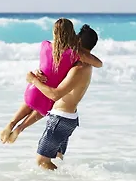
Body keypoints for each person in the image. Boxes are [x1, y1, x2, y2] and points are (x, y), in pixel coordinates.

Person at [0, 18, 102, 144]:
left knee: (32, 102)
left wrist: (36, 75)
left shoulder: (44, 45)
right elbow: (99, 63)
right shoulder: (75, 54)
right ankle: (20, 128)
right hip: (49, 96)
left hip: (34, 89)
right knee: (44, 104)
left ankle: (11, 124)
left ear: (54, 33)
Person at [25, 24, 99, 170]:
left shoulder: (79, 68)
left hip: (60, 119)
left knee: (42, 161)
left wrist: (34, 80)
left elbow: (55, 94)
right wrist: (40, 73)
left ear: (78, 42)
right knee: (57, 160)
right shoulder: (84, 65)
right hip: (66, 118)